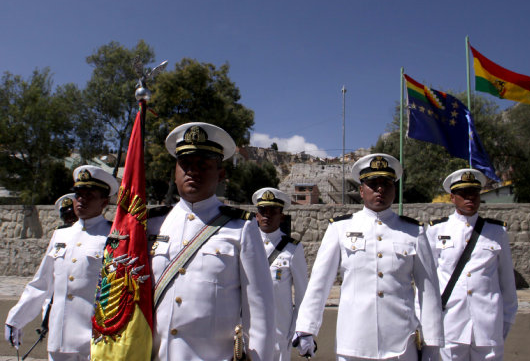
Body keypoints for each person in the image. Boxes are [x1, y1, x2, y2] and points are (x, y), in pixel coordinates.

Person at [294, 153, 443, 360]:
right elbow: (320, 283)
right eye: (373, 184)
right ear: (362, 190)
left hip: (401, 344)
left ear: (394, 189)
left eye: (386, 184)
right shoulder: (341, 227)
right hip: (353, 343)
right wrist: (306, 328)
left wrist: (433, 343)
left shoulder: (414, 232)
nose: (380, 189)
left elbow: (429, 291)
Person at [148, 122, 275, 361]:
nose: (192, 171)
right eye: (185, 164)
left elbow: (260, 310)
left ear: (221, 173)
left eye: (203, 165)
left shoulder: (241, 227)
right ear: (174, 170)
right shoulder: (152, 224)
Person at [5, 165, 118, 361]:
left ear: (104, 202)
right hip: (59, 339)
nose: (81, 199)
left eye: (89, 195)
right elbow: (41, 283)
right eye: (79, 194)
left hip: (95, 341)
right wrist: (16, 319)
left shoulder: (113, 236)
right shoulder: (61, 235)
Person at [426, 169, 518, 361]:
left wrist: (507, 319)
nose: (470, 198)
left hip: (487, 325)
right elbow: (428, 280)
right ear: (452, 197)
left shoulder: (496, 231)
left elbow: (507, 282)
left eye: (474, 193)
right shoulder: (437, 230)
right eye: (463, 194)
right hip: (450, 324)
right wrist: (425, 320)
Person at [251, 187, 308, 361]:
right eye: (263, 211)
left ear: (281, 215)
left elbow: (302, 296)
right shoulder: (246, 245)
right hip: (248, 334)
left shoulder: (293, 249)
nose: (267, 215)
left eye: (273, 211)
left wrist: (300, 331)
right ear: (257, 215)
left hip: (279, 334)